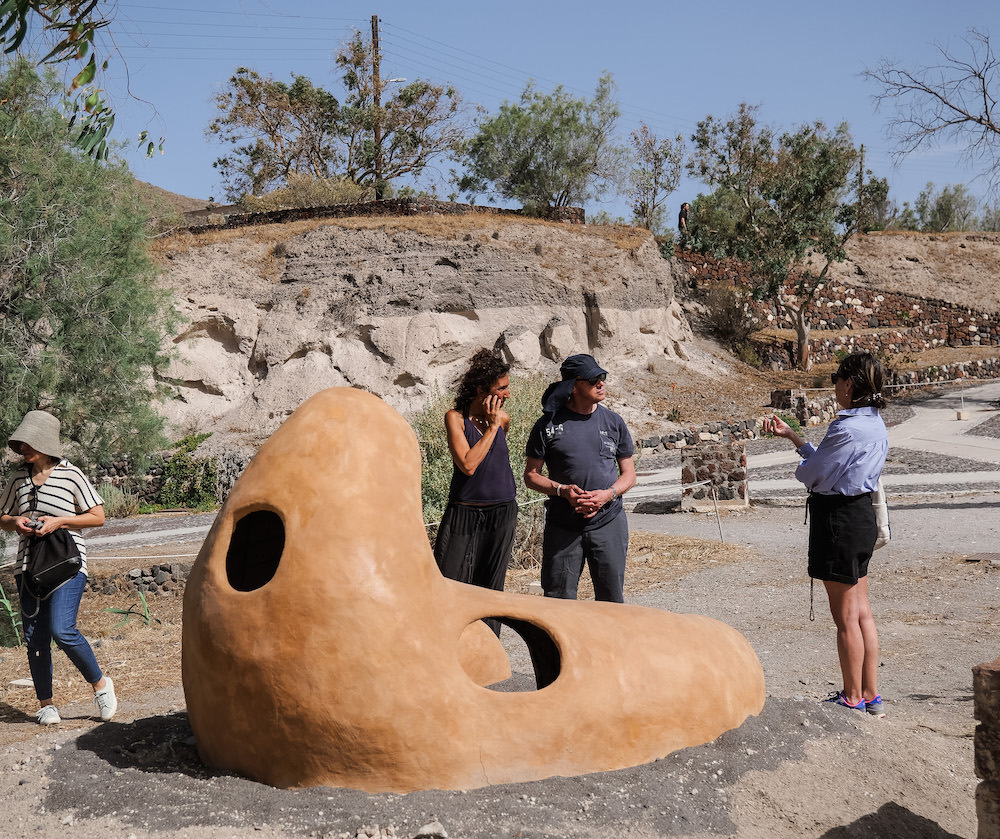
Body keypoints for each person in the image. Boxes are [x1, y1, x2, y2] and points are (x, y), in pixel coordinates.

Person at [763, 352, 889, 717]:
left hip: (838, 520)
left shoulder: (845, 426)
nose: (834, 384)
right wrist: (794, 438)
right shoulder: (874, 422)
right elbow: (834, 464)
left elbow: (814, 474)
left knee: (846, 617)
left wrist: (804, 464)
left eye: (837, 377)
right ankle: (870, 694)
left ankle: (851, 698)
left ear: (849, 384)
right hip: (861, 515)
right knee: (863, 612)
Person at [0, 410, 117, 725]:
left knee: (62, 629)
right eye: (20, 442)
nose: (22, 448)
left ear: (44, 443)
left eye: (28, 442)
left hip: (67, 562)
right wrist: (16, 523)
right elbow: (3, 517)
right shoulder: (18, 479)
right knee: (35, 638)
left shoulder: (71, 474)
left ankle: (101, 685)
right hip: (28, 566)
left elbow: (97, 516)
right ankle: (46, 704)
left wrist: (60, 521)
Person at [524, 354, 636, 602]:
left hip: (609, 522)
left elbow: (629, 474)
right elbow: (531, 476)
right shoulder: (547, 426)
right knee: (558, 603)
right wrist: (562, 490)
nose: (601, 383)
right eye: (594, 379)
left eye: (602, 377)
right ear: (574, 386)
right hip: (563, 526)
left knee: (612, 602)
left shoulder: (614, 422)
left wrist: (608, 495)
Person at [433, 349, 518, 635]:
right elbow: (468, 465)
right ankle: (448, 651)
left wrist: (496, 424)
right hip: (465, 512)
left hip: (502, 511)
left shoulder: (504, 419)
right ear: (482, 389)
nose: (507, 394)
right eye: (501, 388)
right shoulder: (456, 419)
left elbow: (492, 462)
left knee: (492, 588)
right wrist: (492, 428)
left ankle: (489, 656)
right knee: (449, 583)